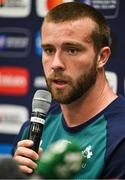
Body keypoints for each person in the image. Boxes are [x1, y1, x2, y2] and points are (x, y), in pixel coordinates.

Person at [13, 2, 125, 179]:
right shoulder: (32, 131)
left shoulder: (120, 137)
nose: (56, 63)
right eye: (49, 50)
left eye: (72, 50)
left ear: (101, 57)